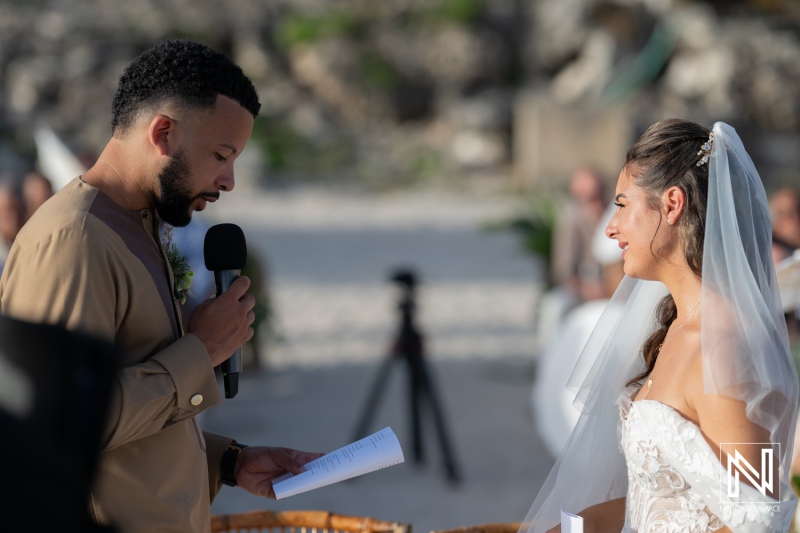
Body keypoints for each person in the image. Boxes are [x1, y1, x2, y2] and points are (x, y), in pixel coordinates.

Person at [0, 40, 320, 532]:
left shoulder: (141, 227)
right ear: (164, 133)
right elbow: (53, 429)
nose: (229, 179)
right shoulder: (74, 241)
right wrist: (201, 351)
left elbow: (129, 426)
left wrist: (229, 462)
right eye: (221, 154)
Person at [521, 120, 798, 532]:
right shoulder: (673, 328)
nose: (611, 228)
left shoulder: (726, 349)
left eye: (622, 205)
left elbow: (755, 521)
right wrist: (571, 528)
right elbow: (656, 503)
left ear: (671, 204)